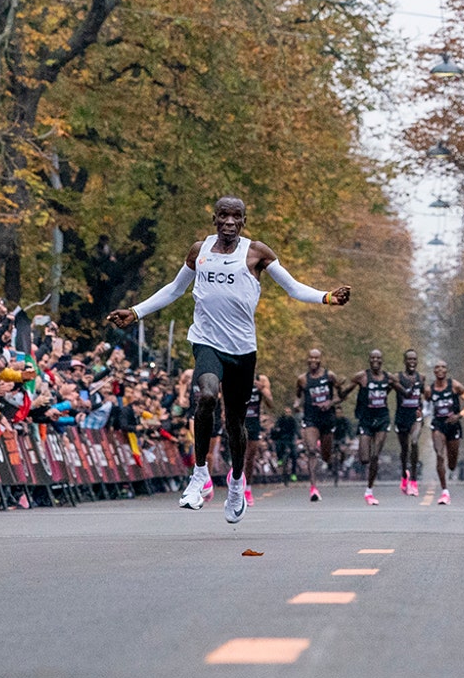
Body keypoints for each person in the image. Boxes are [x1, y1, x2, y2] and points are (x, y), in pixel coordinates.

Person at [106, 196, 350, 523]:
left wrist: (327, 297)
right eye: (224, 216)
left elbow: (292, 289)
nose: (230, 222)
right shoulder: (199, 250)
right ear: (214, 219)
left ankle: (236, 482)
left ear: (244, 221)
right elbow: (174, 289)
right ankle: (200, 474)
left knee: (235, 423)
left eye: (237, 217)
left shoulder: (257, 252)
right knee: (206, 396)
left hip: (242, 350)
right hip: (206, 341)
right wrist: (136, 312)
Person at [341, 349, 395, 505]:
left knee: (375, 455)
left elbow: (400, 390)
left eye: (378, 357)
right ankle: (365, 468)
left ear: (382, 360)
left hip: (382, 419)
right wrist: (340, 391)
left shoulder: (388, 377)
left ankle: (369, 491)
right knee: (364, 458)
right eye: (373, 358)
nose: (375, 360)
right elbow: (347, 391)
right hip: (365, 419)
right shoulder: (361, 376)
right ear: (369, 360)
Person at [426, 359, 464, 505]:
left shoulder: (455, 386)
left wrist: (459, 415)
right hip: (438, 425)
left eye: (443, 367)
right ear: (434, 371)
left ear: (446, 370)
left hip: (453, 426)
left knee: (452, 464)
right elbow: (425, 407)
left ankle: (450, 468)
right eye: (437, 367)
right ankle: (444, 491)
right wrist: (419, 413)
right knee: (440, 455)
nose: (440, 370)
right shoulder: (429, 390)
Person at [296, 348, 342, 501]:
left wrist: (330, 402)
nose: (313, 361)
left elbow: (339, 396)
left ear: (321, 360)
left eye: (316, 358)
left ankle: (330, 459)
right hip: (311, 419)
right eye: (311, 358)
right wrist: (296, 405)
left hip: (327, 419)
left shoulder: (329, 376)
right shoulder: (302, 379)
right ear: (307, 360)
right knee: (311, 450)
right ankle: (313, 488)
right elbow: (298, 398)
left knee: (326, 455)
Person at [393, 348, 426, 497]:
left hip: (415, 416)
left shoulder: (422, 377)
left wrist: (421, 407)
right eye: (409, 359)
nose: (412, 362)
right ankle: (404, 474)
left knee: (414, 442)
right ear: (404, 361)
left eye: (414, 359)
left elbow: (423, 395)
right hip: (401, 416)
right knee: (404, 449)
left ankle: (413, 480)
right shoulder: (397, 377)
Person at [241, 372, 273, 508]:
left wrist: (262, 389)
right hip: (239, 421)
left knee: (250, 457)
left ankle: (247, 489)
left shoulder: (261, 379)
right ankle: (236, 488)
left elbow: (271, 403)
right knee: (238, 455)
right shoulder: (237, 375)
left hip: (254, 423)